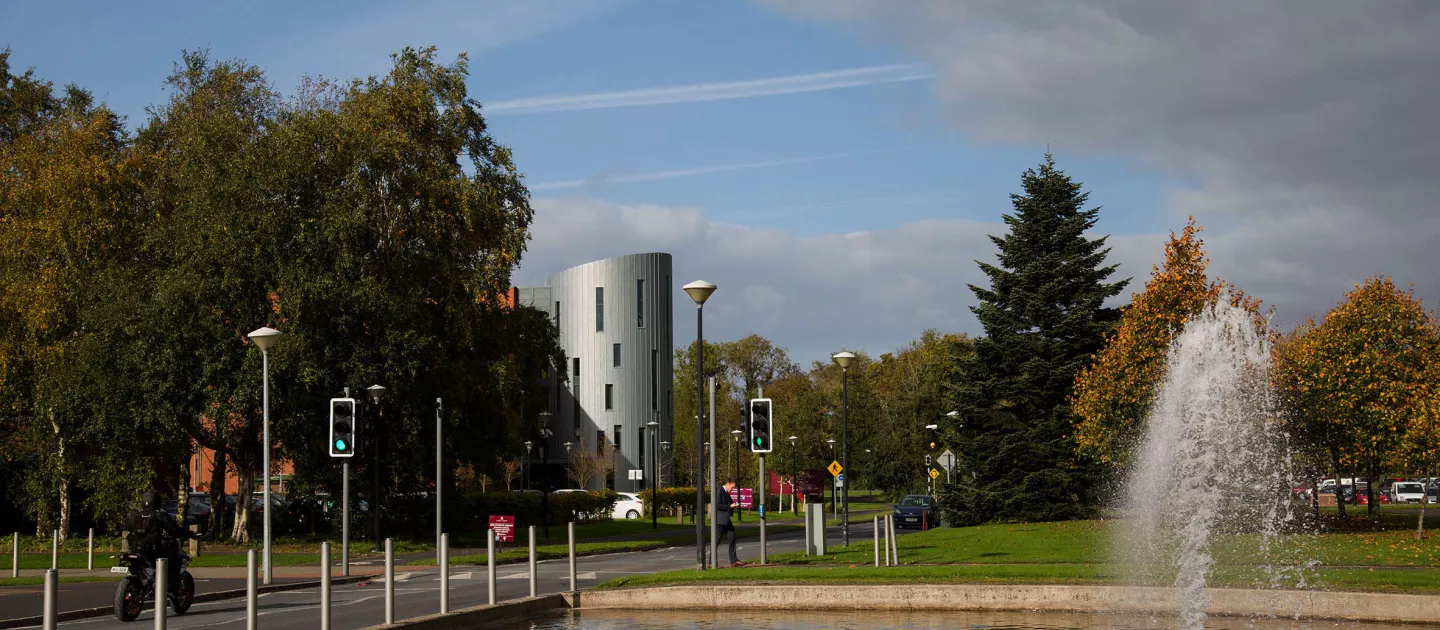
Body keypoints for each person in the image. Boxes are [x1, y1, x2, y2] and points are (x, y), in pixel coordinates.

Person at [126, 490, 189, 591]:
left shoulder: (134, 515)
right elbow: (173, 529)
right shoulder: (159, 515)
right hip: (153, 550)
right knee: (175, 558)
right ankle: (171, 586)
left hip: (134, 549)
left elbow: (127, 528)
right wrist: (185, 532)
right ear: (157, 501)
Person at [717, 479, 742, 567]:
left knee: (732, 537)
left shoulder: (726, 492)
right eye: (732, 487)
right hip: (720, 521)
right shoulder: (719, 491)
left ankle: (734, 561)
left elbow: (730, 503)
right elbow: (717, 505)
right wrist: (730, 506)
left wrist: (734, 505)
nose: (732, 489)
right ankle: (711, 562)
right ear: (728, 483)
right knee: (716, 541)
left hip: (726, 520)